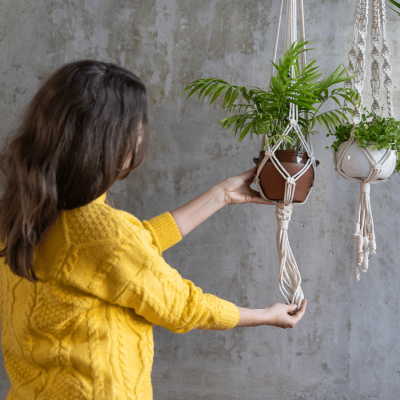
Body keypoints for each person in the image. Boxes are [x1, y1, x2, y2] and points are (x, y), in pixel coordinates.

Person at [0, 60, 307, 400]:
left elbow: (130, 247)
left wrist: (222, 195)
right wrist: (266, 315)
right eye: (137, 128)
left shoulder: (20, 214)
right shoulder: (101, 232)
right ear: (109, 142)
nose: (142, 136)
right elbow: (182, 305)